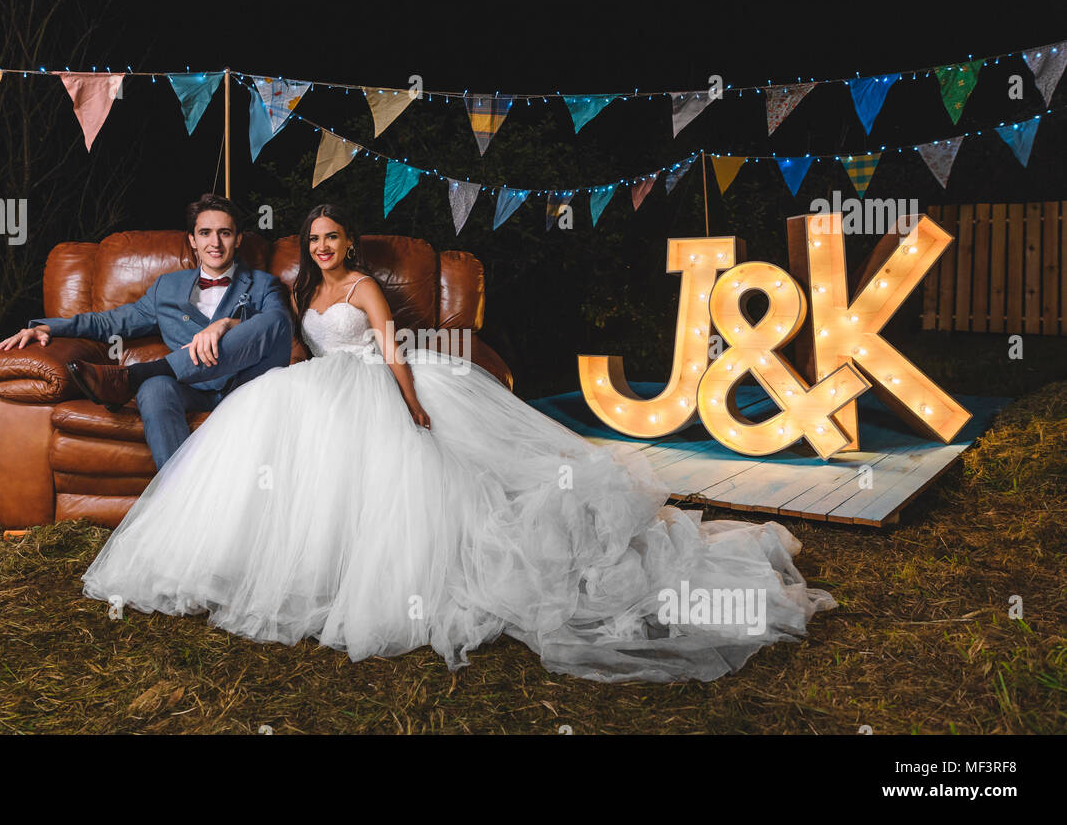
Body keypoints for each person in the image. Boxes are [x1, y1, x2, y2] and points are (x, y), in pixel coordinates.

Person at [80, 203, 836, 683]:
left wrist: (407, 401)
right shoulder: (304, 294)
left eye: (332, 238)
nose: (322, 248)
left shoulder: (363, 288)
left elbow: (389, 347)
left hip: (376, 380)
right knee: (271, 431)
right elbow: (297, 351)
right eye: (312, 239)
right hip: (318, 383)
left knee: (413, 470)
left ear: (349, 243)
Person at [0, 194, 292, 469]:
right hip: (190, 388)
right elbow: (109, 322)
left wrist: (226, 324)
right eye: (205, 233)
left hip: (246, 387)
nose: (215, 242)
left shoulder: (263, 283)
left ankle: (136, 375)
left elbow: (277, 326)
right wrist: (48, 326)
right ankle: (178, 497)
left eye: (225, 233)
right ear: (192, 240)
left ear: (238, 239)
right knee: (154, 388)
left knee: (277, 321)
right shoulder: (167, 287)